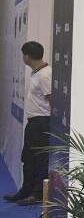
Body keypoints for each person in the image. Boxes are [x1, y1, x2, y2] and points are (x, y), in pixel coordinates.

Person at [4, 41, 53, 206]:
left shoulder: (45, 75)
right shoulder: (36, 73)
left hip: (42, 123)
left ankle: (37, 194)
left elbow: (52, 99)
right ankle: (26, 190)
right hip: (33, 122)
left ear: (27, 56)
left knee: (40, 160)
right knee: (29, 158)